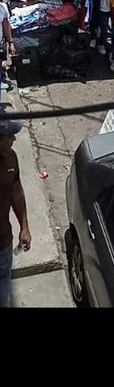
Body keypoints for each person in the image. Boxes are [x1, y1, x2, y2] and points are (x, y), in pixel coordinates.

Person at [0, 115, 31, 309]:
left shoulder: (10, 157)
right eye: (10, 135)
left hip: (3, 243)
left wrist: (24, 227)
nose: (14, 139)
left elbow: (16, 190)